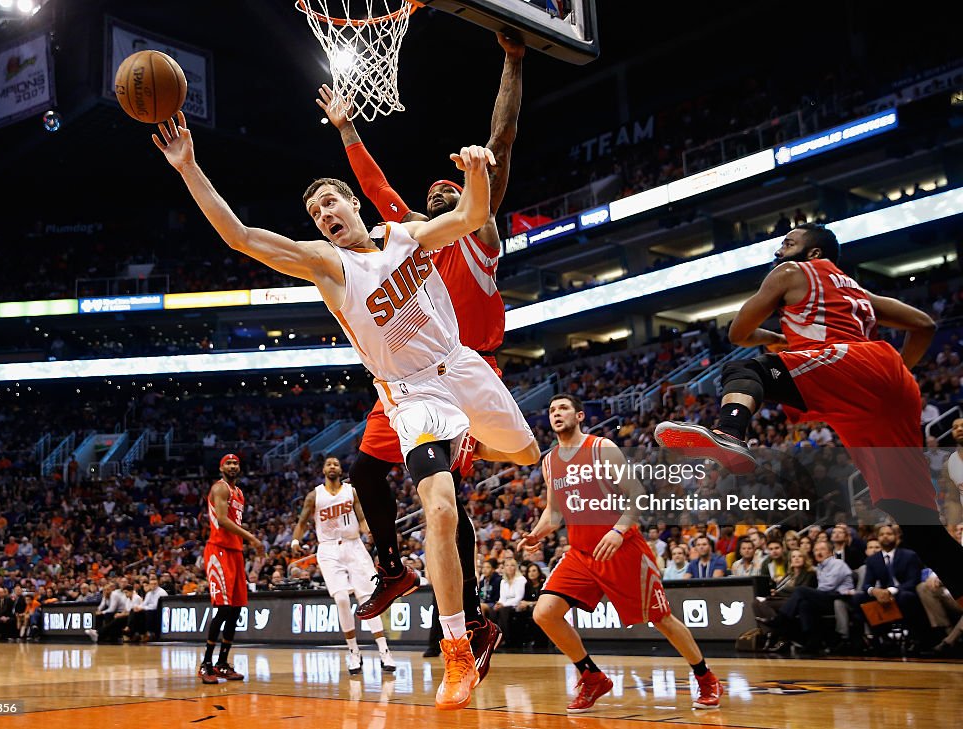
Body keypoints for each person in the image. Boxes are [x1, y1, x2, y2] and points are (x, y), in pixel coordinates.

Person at [152, 116, 539, 710]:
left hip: (461, 365)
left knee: (525, 454)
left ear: (352, 202)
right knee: (439, 508)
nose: (325, 215)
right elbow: (241, 235)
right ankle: (458, 645)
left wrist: (479, 173)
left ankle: (468, 443)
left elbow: (467, 219)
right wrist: (188, 167)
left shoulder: (403, 236)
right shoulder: (330, 266)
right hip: (412, 397)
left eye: (330, 202)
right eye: (316, 214)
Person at [315, 32, 525, 685]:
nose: (436, 195)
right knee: (366, 473)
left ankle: (471, 621)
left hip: (471, 365)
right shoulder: (415, 242)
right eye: (431, 191)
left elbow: (504, 137)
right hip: (406, 378)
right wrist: (348, 131)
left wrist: (513, 63)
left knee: (450, 494)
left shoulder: (477, 230)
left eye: (449, 191)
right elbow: (375, 189)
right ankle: (398, 571)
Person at [654, 223, 963, 603]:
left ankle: (730, 434)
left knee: (746, 370)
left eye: (789, 242)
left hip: (849, 363)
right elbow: (924, 324)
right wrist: (894, 372)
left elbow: (738, 333)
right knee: (917, 523)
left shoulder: (790, 272)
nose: (780, 249)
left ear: (814, 254)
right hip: (891, 387)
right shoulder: (859, 292)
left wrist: (775, 339)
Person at [520, 394, 723, 712]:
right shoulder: (549, 461)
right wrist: (536, 533)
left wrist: (617, 531)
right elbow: (554, 514)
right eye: (552, 410)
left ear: (581, 416)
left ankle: (706, 677)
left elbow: (637, 496)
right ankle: (592, 676)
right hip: (581, 553)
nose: (557, 414)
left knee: (662, 619)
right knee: (544, 612)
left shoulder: (602, 448)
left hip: (622, 548)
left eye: (563, 409)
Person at [291, 455, 397, 674]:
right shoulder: (314, 495)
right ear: (323, 470)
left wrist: (370, 533)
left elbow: (361, 518)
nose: (332, 466)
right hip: (328, 548)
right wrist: (295, 541)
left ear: (341, 470)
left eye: (336, 464)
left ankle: (384, 650)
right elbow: (302, 522)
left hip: (353, 545)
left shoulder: (352, 491)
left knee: (367, 599)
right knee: (340, 599)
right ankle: (353, 651)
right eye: (329, 464)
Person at [198, 454, 263, 684]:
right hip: (218, 550)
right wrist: (252, 538)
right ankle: (206, 664)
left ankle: (222, 663)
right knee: (223, 609)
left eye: (236, 463)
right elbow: (224, 520)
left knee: (236, 609)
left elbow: (234, 523)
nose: (233, 466)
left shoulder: (240, 493)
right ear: (221, 467)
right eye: (228, 463)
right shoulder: (220, 488)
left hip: (234, 552)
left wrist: (246, 541)